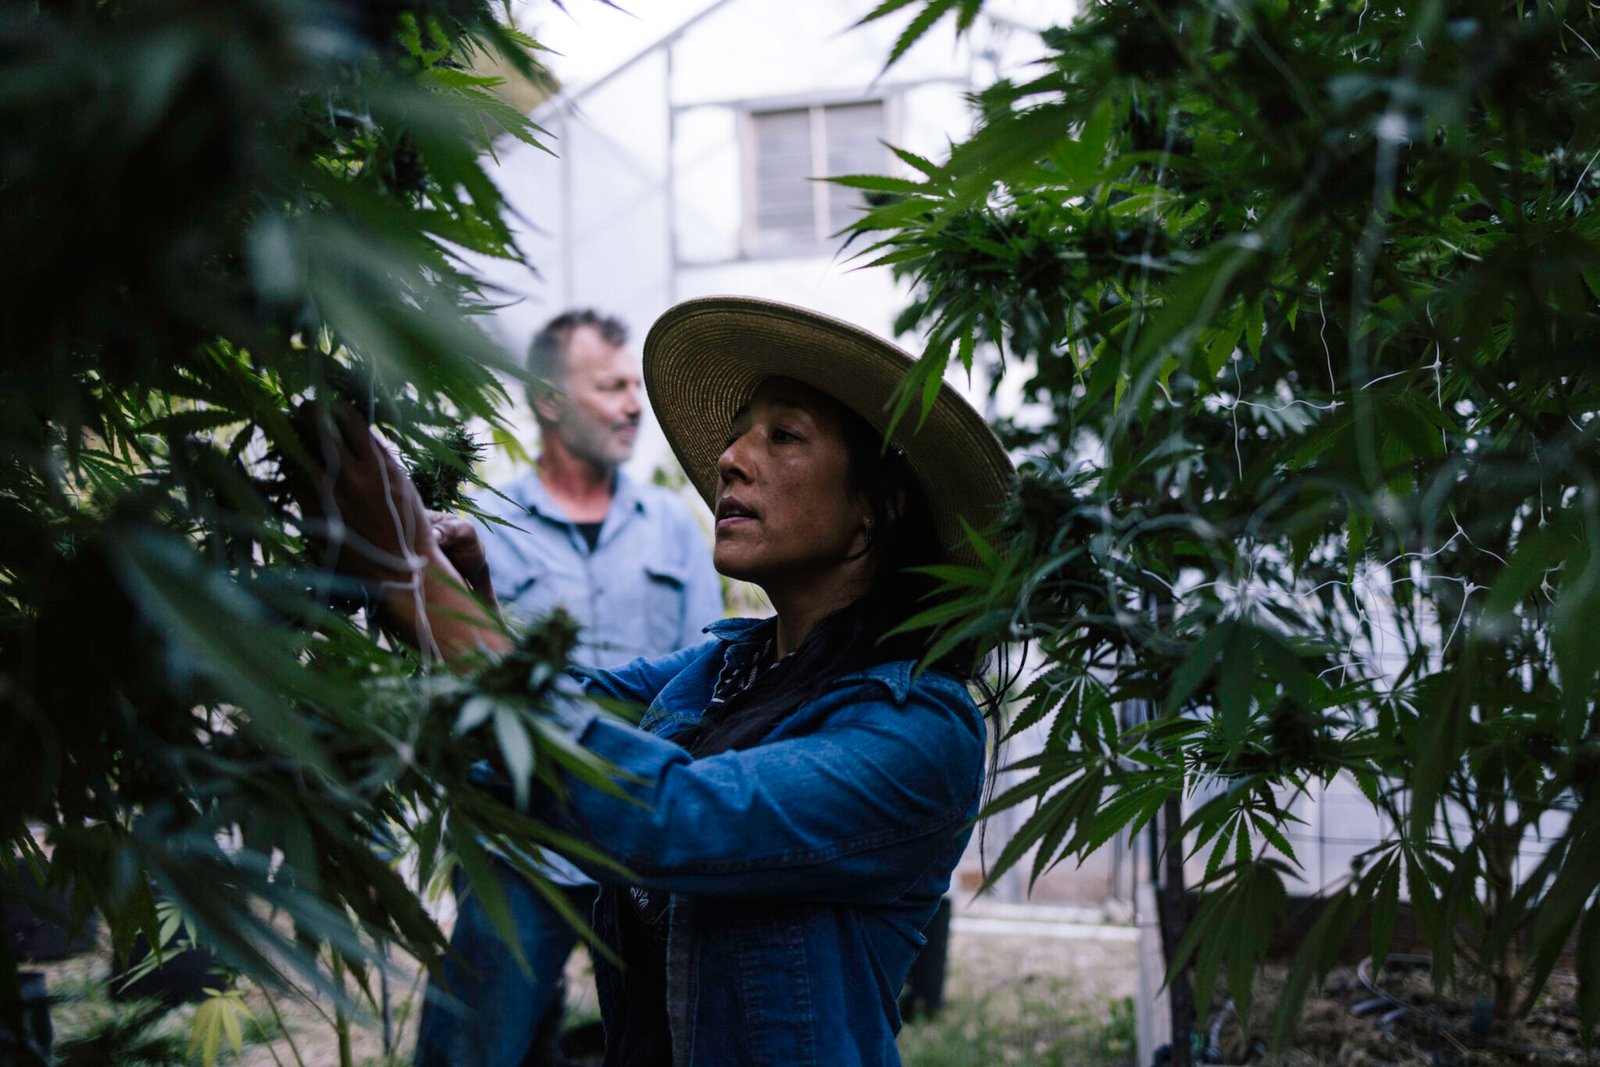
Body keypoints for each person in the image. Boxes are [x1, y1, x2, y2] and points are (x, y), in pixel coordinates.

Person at [302, 296, 1014, 1066]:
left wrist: (417, 585)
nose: (731, 456)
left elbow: (676, 813)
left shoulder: (919, 730)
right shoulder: (728, 670)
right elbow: (565, 709)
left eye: (782, 434)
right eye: (740, 430)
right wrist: (468, 599)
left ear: (876, 511)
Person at [415, 309, 722, 1066]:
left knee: (665, 1044)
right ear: (550, 399)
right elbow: (466, 671)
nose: (633, 404)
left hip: (642, 843)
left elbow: (705, 681)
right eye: (611, 385)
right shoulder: (491, 524)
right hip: (521, 841)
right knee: (478, 1045)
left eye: (634, 386)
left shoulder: (674, 528)